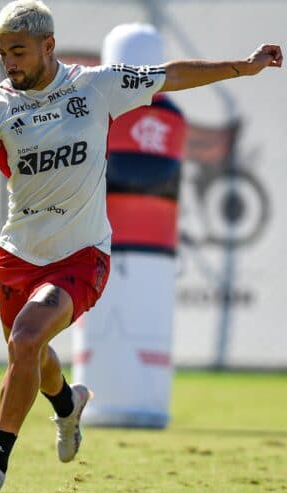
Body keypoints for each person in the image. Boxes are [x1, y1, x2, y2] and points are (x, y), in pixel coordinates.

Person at [0, 0, 282, 493]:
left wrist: (245, 65)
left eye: (18, 51)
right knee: (31, 354)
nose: (10, 63)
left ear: (49, 46)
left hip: (82, 255)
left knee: (25, 341)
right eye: (3, 53)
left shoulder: (95, 86)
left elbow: (170, 75)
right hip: (18, 255)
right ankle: (68, 406)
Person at [72, 22, 187, 429]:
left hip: (131, 247)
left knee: (133, 328)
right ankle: (99, 403)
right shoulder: (118, 110)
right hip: (108, 244)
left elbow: (139, 173)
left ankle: (126, 403)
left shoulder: (150, 114)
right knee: (104, 328)